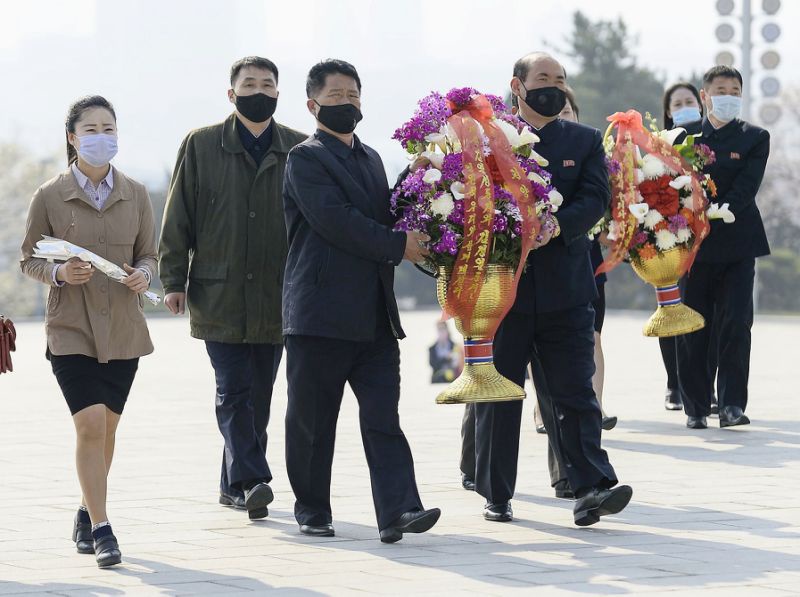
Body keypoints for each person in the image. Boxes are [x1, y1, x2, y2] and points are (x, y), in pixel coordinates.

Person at [282, 59, 440, 543]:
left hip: (374, 315)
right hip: (319, 314)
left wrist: (415, 182)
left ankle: (399, 511)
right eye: (336, 96)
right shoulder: (304, 159)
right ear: (313, 105)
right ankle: (311, 507)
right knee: (312, 421)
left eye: (354, 95)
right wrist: (399, 245)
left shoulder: (370, 157)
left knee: (382, 416)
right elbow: (338, 221)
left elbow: (382, 214)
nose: (348, 103)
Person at [473, 52, 632, 527]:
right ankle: (495, 493)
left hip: (566, 291)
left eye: (560, 79)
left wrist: (557, 226)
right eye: (542, 78)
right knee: (501, 395)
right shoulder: (488, 138)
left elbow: (595, 197)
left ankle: (590, 487)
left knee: (574, 394)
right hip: (504, 295)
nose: (553, 86)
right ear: (517, 86)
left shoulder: (582, 141)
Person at [159, 56, 307, 519]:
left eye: (267, 84)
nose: (258, 91)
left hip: (277, 294)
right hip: (217, 292)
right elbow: (178, 214)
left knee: (258, 392)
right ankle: (252, 479)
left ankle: (233, 484)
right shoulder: (201, 144)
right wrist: (172, 279)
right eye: (249, 84)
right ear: (231, 93)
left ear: (278, 94)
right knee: (232, 389)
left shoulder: (299, 149)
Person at [20, 95, 157, 567]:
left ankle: (85, 509)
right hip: (71, 327)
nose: (102, 136)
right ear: (73, 138)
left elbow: (149, 256)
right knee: (90, 424)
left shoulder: (136, 193)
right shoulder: (49, 196)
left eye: (109, 128)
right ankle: (102, 529)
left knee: (109, 428)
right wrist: (58, 274)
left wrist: (143, 274)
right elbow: (28, 260)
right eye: (92, 129)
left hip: (123, 327)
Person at [677, 66, 770, 429]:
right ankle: (696, 406)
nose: (728, 95)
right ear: (705, 95)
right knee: (692, 326)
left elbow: (747, 188)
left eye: (734, 90)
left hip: (737, 243)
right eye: (721, 89)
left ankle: (731, 404)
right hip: (690, 247)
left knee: (735, 322)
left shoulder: (755, 137)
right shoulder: (683, 136)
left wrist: (716, 211)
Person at [534, 86, 617, 434]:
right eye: (560, 111)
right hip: (533, 263)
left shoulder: (590, 149)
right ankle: (542, 411)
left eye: (569, 111)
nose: (562, 115)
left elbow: (604, 201)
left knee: (591, 337)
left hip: (586, 259)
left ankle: (594, 405)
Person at [660, 82, 719, 414]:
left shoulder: (712, 142)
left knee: (705, 317)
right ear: (669, 111)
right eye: (677, 103)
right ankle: (675, 383)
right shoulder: (658, 145)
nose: (684, 107)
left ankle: (702, 386)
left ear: (700, 104)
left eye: (689, 101)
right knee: (672, 313)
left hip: (707, 242)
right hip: (670, 241)